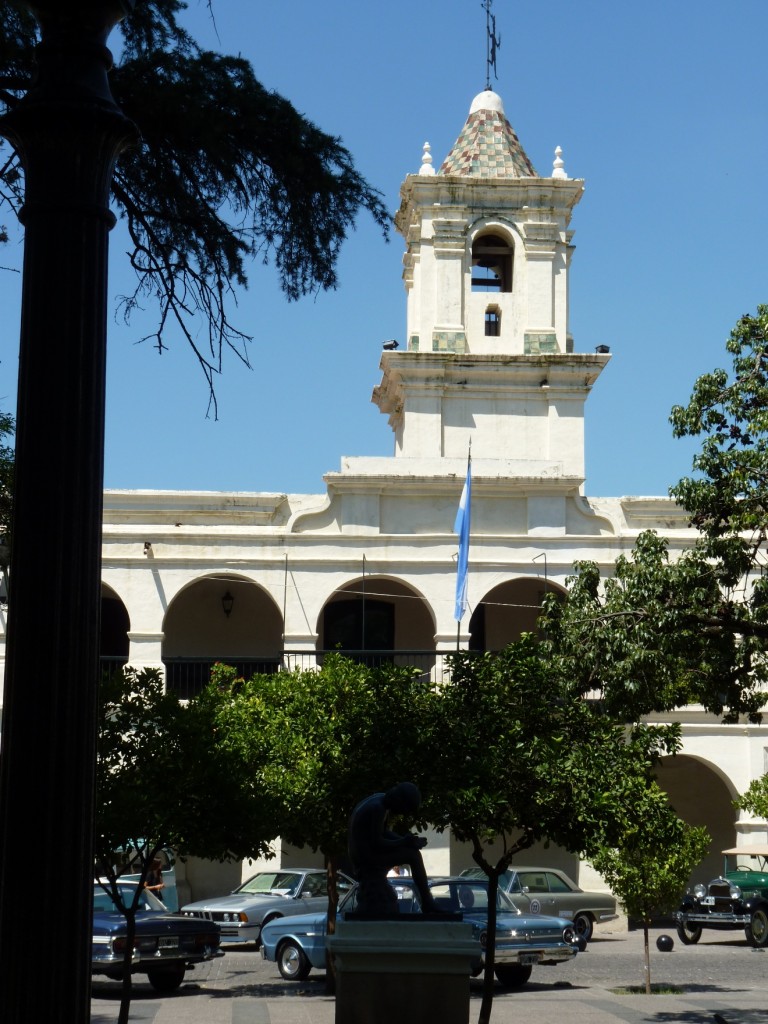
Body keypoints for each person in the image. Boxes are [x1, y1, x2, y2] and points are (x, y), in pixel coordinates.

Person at [349, 782, 442, 914]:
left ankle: (427, 902)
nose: (402, 814)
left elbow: (383, 832)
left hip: (366, 854)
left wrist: (408, 841)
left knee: (412, 851)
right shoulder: (378, 808)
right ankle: (427, 903)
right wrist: (404, 841)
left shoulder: (380, 801)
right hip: (366, 859)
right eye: (404, 810)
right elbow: (378, 843)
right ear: (400, 801)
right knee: (413, 856)